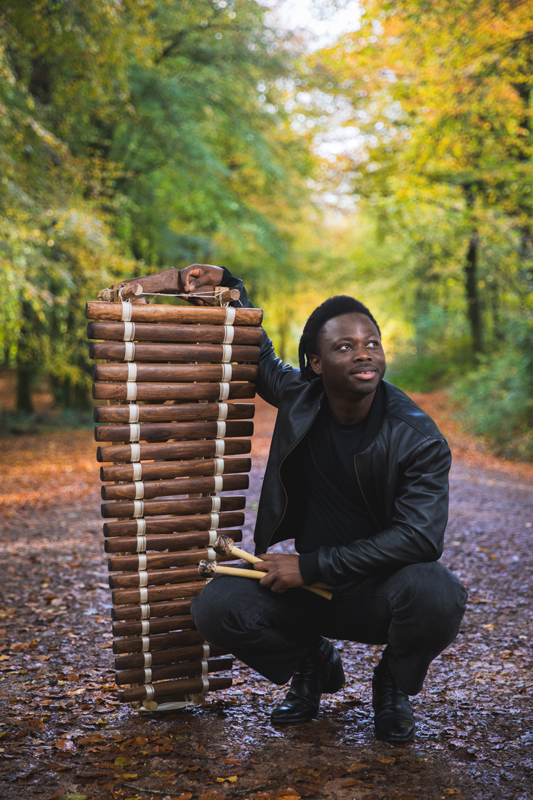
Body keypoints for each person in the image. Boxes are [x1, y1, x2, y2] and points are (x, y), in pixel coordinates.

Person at [180, 263, 467, 742]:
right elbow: (257, 354)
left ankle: (393, 680)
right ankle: (312, 663)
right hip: (307, 594)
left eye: (371, 343)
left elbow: (420, 537)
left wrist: (311, 565)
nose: (363, 354)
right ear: (316, 362)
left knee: (439, 593)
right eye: (345, 347)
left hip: (378, 592)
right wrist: (231, 284)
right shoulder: (301, 396)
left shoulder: (417, 437)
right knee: (216, 606)